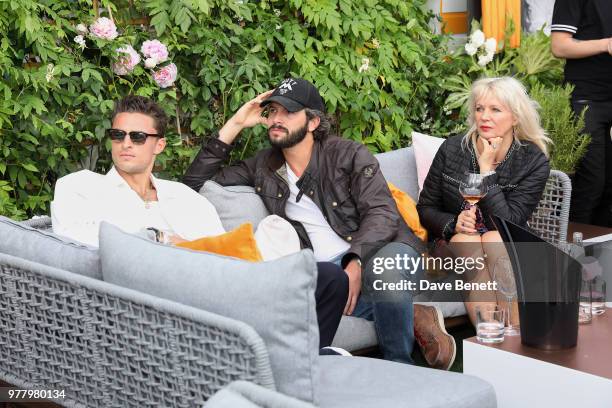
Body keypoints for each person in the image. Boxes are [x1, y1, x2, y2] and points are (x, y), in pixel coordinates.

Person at [183, 77, 456, 369]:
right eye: (272, 111)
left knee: (383, 274)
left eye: (287, 112)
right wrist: (235, 123)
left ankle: (400, 370)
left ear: (313, 122)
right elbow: (193, 186)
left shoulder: (348, 154)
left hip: (386, 250)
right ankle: (415, 315)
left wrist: (356, 262)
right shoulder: (264, 165)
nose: (276, 119)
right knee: (292, 295)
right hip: (328, 271)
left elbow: (382, 214)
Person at [51, 95, 348, 349]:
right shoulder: (81, 186)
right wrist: (161, 239)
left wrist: (236, 124)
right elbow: (76, 243)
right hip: (156, 305)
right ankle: (306, 360)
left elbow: (223, 256)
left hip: (221, 290)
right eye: (118, 135)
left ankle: (304, 360)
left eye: (138, 137)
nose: (125, 143)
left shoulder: (183, 196)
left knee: (328, 278)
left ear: (159, 145)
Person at [417, 76, 551, 326]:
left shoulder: (533, 161)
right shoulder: (453, 149)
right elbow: (425, 208)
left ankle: (510, 334)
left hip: (503, 238)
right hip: (452, 243)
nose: (484, 116)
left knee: (493, 238)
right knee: (468, 241)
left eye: (495, 110)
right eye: (479, 109)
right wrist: (453, 223)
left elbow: (509, 223)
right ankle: (490, 336)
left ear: (515, 117)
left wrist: (487, 170)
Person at [551, 0, 612, 227]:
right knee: (592, 184)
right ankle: (572, 254)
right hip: (588, 99)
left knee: (609, 189)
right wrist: (606, 44)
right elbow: (559, 46)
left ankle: (601, 256)